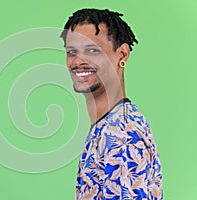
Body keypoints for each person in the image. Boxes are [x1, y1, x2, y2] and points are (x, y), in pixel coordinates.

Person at [60, 8, 163, 199]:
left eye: (92, 50)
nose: (78, 61)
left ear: (122, 54)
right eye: (72, 51)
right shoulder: (107, 126)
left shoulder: (121, 134)